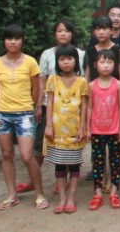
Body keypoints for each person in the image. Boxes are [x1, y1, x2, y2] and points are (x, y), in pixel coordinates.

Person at [18, 19, 85, 196]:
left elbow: (84, 82)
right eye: (59, 30)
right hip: (49, 106)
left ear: (72, 34)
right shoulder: (47, 54)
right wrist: (38, 105)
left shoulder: (81, 54)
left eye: (66, 30)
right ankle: (33, 180)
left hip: (72, 109)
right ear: (55, 33)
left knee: (69, 144)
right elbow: (42, 81)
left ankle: (64, 181)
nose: (63, 33)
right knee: (40, 143)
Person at [0, 24, 47, 211]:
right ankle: (11, 195)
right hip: (2, 114)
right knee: (7, 154)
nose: (13, 42)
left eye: (17, 38)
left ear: (22, 41)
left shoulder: (30, 62)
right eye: (9, 38)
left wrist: (35, 107)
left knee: (27, 156)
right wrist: (1, 108)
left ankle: (39, 194)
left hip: (25, 114)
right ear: (4, 41)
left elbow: (36, 89)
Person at [44, 45, 89, 215]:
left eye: (70, 58)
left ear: (76, 61)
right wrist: (49, 125)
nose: (66, 62)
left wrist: (83, 127)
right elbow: (49, 102)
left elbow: (84, 106)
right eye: (62, 59)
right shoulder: (52, 80)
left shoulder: (81, 81)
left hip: (74, 132)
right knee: (60, 167)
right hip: (57, 132)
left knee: (74, 167)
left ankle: (71, 198)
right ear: (57, 62)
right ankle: (62, 199)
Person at [87, 49, 120, 211]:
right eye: (102, 62)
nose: (106, 65)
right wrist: (88, 128)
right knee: (97, 162)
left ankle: (114, 193)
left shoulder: (118, 85)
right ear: (95, 65)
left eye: (109, 62)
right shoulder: (91, 85)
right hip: (97, 130)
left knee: (115, 161)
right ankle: (97, 194)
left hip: (114, 130)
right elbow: (89, 107)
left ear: (114, 65)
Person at [85, 16, 120, 82]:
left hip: (114, 87)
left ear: (111, 30)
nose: (101, 32)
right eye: (98, 29)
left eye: (104, 29)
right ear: (94, 31)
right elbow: (87, 74)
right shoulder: (89, 51)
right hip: (94, 87)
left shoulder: (119, 50)